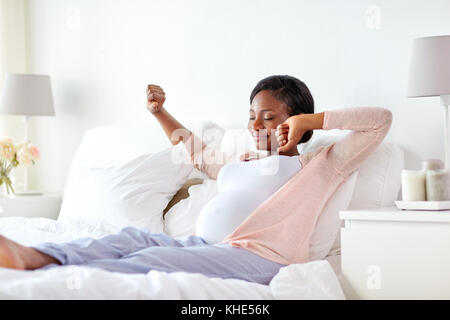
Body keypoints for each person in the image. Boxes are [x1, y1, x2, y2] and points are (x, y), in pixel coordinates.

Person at [0, 75, 392, 285]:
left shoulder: (321, 166)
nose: (255, 125)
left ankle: (54, 275)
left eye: (268, 116)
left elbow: (380, 121)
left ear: (294, 120)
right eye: (252, 114)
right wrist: (160, 112)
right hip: (203, 244)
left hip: (255, 258)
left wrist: (312, 121)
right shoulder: (242, 161)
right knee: (129, 240)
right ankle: (41, 255)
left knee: (153, 259)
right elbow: (196, 152)